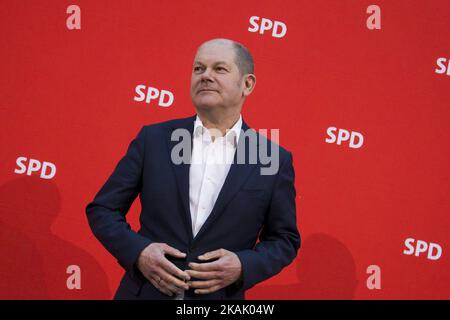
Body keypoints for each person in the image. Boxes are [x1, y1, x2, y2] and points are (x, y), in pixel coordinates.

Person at [85, 38, 300, 300]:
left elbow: (283, 239)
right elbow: (103, 209)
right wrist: (139, 252)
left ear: (247, 84)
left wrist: (243, 266)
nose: (205, 76)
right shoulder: (154, 139)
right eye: (199, 69)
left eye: (219, 69)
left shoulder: (270, 157)